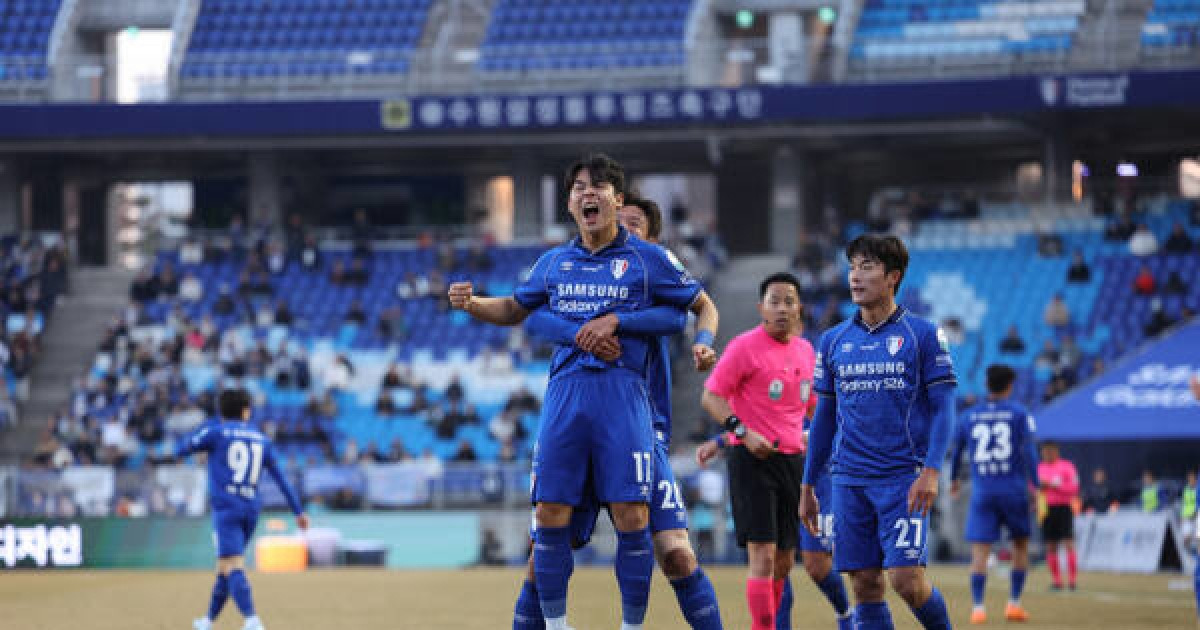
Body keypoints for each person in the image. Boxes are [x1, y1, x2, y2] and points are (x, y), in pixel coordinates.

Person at [449, 154, 702, 630]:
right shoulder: (555, 263)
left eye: (600, 187)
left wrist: (631, 324)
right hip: (570, 401)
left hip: (633, 411)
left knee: (649, 530)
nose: (589, 194)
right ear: (569, 202)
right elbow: (519, 310)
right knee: (548, 521)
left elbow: (687, 312)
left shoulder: (649, 267)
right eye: (579, 188)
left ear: (619, 201)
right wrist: (473, 303)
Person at [513, 194, 725, 630]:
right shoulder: (573, 281)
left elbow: (687, 314)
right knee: (540, 558)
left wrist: (621, 322)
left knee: (676, 554)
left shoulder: (653, 288)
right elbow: (532, 317)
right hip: (579, 422)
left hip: (642, 432)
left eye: (631, 224)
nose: (618, 228)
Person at [800, 234, 957, 630]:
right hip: (848, 480)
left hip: (903, 478)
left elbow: (944, 408)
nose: (855, 276)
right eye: (852, 267)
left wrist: (932, 471)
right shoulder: (834, 340)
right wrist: (807, 486)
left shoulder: (922, 335)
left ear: (893, 277)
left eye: (867, 267)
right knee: (865, 584)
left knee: (907, 581)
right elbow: (823, 419)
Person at [699, 272, 852, 630]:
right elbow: (710, 397)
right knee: (763, 556)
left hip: (793, 464)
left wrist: (827, 436)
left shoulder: (805, 350)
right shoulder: (742, 346)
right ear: (761, 308)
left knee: (784, 561)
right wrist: (741, 433)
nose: (782, 308)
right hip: (751, 461)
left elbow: (814, 408)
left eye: (789, 301)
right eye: (774, 301)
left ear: (799, 308)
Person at [178, 388, 308, 630]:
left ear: (221, 411)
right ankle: (207, 621)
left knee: (233, 565)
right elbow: (281, 479)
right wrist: (298, 512)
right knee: (224, 567)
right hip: (251, 509)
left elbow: (183, 448)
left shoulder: (215, 433)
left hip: (226, 509)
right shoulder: (262, 439)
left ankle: (252, 620)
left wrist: (201, 447)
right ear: (245, 411)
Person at [949, 364, 1039, 624]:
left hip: (983, 491)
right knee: (1019, 545)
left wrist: (954, 479)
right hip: (1013, 489)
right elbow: (1029, 452)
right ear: (1009, 385)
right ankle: (1014, 604)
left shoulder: (968, 416)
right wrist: (1036, 485)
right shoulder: (1019, 413)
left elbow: (957, 452)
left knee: (980, 552)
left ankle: (978, 608)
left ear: (987, 384)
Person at [1037, 441, 1079, 591]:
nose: (1047, 454)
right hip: (1046, 509)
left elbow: (1074, 488)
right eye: (1044, 452)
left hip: (1063, 508)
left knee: (1068, 543)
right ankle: (1057, 581)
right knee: (1050, 546)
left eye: (1050, 451)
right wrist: (1039, 487)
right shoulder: (1040, 467)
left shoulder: (1067, 466)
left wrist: (1055, 486)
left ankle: (1073, 580)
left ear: (1056, 452)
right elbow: (1032, 486)